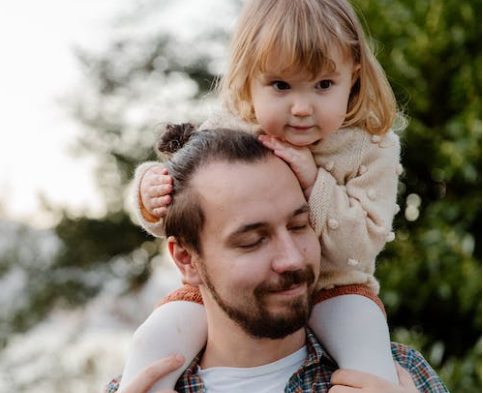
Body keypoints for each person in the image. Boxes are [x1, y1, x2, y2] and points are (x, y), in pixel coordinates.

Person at [123, 0, 407, 389]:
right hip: (210, 302)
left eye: (324, 84)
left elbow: (360, 245)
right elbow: (187, 209)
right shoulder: (232, 129)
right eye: (281, 85)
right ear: (247, 81)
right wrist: (149, 193)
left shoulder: (370, 147)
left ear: (353, 77)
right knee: (151, 343)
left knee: (369, 351)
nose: (302, 107)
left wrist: (315, 183)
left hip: (338, 288)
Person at [106, 125, 449, 393]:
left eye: (300, 225)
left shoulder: (398, 375)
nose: (291, 259)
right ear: (186, 260)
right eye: (253, 241)